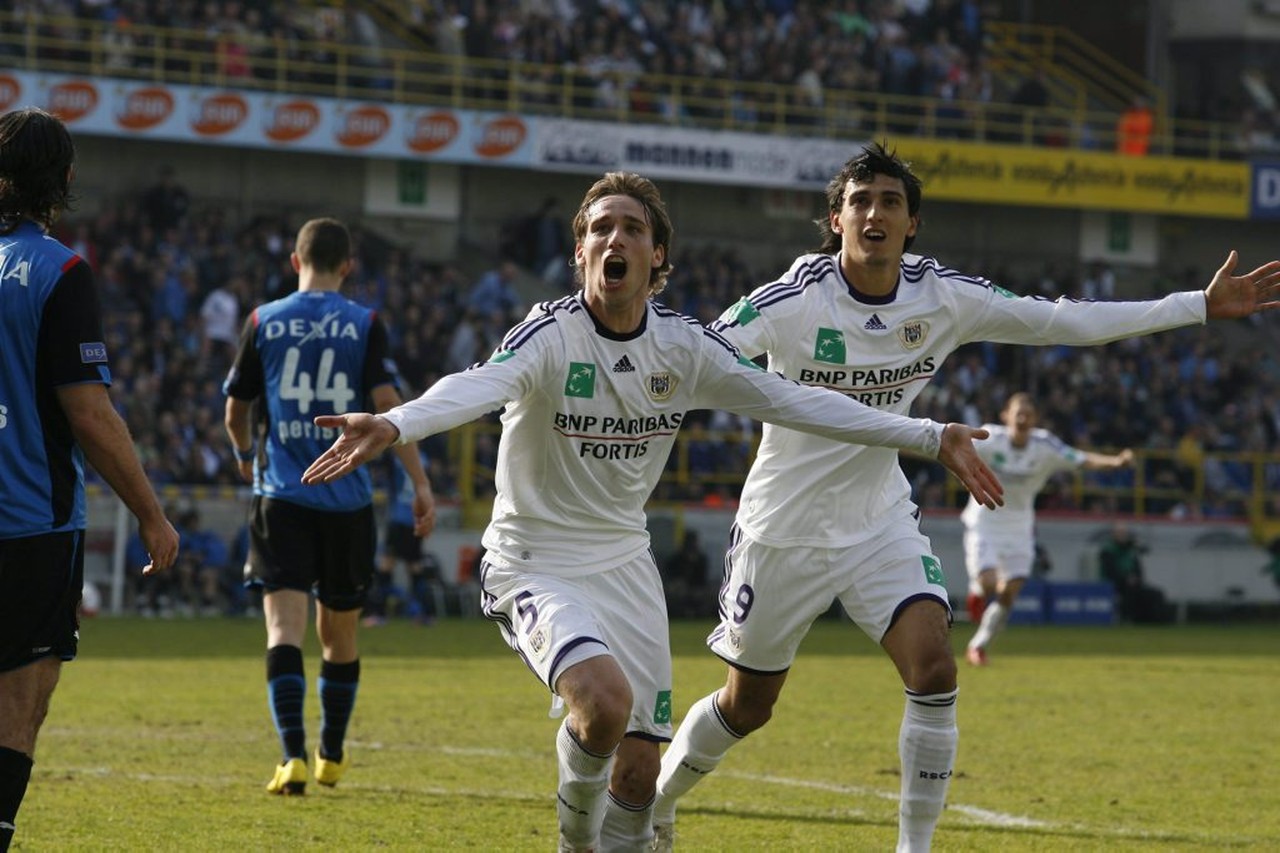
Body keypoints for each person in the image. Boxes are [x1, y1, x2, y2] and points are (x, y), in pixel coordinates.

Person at [299, 171, 1003, 853]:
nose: (616, 238)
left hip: (625, 565)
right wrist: (397, 423)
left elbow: (800, 401)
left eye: (632, 228)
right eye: (601, 227)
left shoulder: (685, 347)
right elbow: (476, 385)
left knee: (638, 778)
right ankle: (575, 842)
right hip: (534, 561)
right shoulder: (549, 335)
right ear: (581, 251)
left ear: (656, 253)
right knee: (603, 704)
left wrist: (927, 435)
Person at [651, 141, 1280, 853]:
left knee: (935, 665)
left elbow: (1063, 321)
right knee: (749, 704)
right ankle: (659, 799)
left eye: (891, 201)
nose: (875, 212)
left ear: (912, 223)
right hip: (781, 528)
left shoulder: (942, 296)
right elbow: (704, 350)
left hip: (877, 520)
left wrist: (1195, 305)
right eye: (860, 201)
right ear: (836, 219)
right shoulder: (796, 297)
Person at [0, 107, 179, 851]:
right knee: (21, 696)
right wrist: (150, 511)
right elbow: (89, 411)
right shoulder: (58, 270)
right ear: (66, 180)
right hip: (28, 520)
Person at [223, 217, 435, 796]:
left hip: (282, 496)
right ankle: (332, 754)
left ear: (296, 261)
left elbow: (236, 411)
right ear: (348, 265)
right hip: (346, 501)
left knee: (282, 631)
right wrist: (419, 483)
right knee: (339, 637)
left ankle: (290, 757)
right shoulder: (365, 323)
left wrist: (245, 455)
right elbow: (390, 409)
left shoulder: (263, 320)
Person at [961, 392, 1135, 666]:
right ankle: (977, 590)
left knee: (1011, 590)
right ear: (1005, 415)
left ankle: (978, 645)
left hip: (1020, 527)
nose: (1023, 417)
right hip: (985, 523)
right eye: (1018, 412)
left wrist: (1114, 462)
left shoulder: (1045, 445)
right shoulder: (989, 438)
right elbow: (948, 444)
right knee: (989, 584)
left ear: (1035, 419)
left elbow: (1080, 459)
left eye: (1028, 413)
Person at [1097, 522, 1171, 623]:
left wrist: (1137, 578)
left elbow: (1139, 568)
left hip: (1133, 583)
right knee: (1130, 590)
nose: (1122, 535)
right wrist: (1126, 579)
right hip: (1115, 583)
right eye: (1119, 533)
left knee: (1157, 594)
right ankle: (1127, 618)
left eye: (1124, 533)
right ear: (1114, 534)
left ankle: (1154, 620)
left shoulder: (1131, 550)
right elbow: (1110, 571)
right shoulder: (1108, 550)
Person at [662, 530, 713, 619]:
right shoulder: (677, 557)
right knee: (678, 592)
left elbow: (702, 578)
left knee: (700, 595)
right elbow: (669, 572)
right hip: (680, 586)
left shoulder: (701, 559)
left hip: (696, 586)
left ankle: (696, 612)